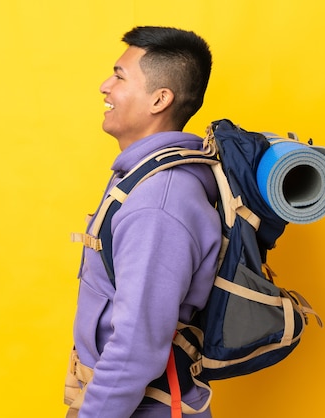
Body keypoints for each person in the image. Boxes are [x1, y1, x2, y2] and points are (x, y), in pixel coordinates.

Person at [66, 26, 221, 417]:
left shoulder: (159, 201)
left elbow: (136, 347)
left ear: (159, 99)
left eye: (119, 76)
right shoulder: (141, 176)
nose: (105, 86)